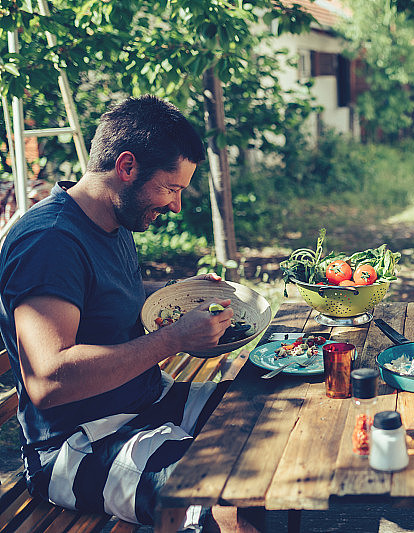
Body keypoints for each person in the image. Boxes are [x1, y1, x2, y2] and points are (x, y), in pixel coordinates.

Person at [0, 95, 236, 525]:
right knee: (227, 493)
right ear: (126, 167)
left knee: (256, 415)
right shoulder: (49, 242)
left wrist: (181, 294)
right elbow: (48, 380)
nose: (175, 206)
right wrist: (173, 338)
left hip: (147, 399)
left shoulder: (111, 219)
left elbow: (104, 298)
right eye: (170, 189)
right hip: (79, 444)